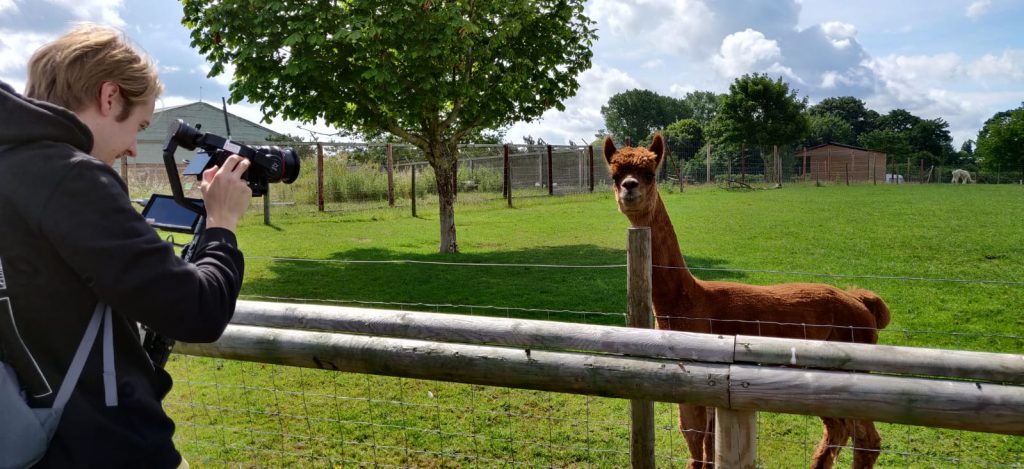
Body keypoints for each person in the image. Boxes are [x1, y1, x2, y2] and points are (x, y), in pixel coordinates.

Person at [0, 23, 253, 468]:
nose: (134, 149)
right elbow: (197, 309)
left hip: (25, 437)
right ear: (109, 96)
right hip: (107, 446)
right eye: (139, 125)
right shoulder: (71, 178)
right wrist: (221, 224)